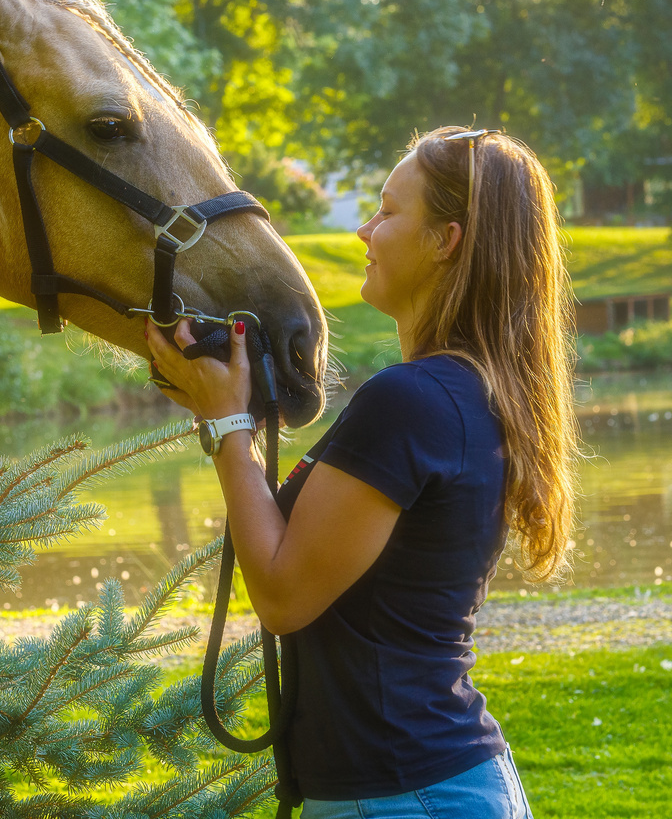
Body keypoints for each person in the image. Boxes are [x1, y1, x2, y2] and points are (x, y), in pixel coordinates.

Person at [145, 127, 580, 819]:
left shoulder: (412, 402)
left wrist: (229, 429)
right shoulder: (465, 394)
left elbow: (284, 595)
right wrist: (225, 409)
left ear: (446, 240)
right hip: (414, 786)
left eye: (386, 211)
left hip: (405, 795)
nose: (364, 232)